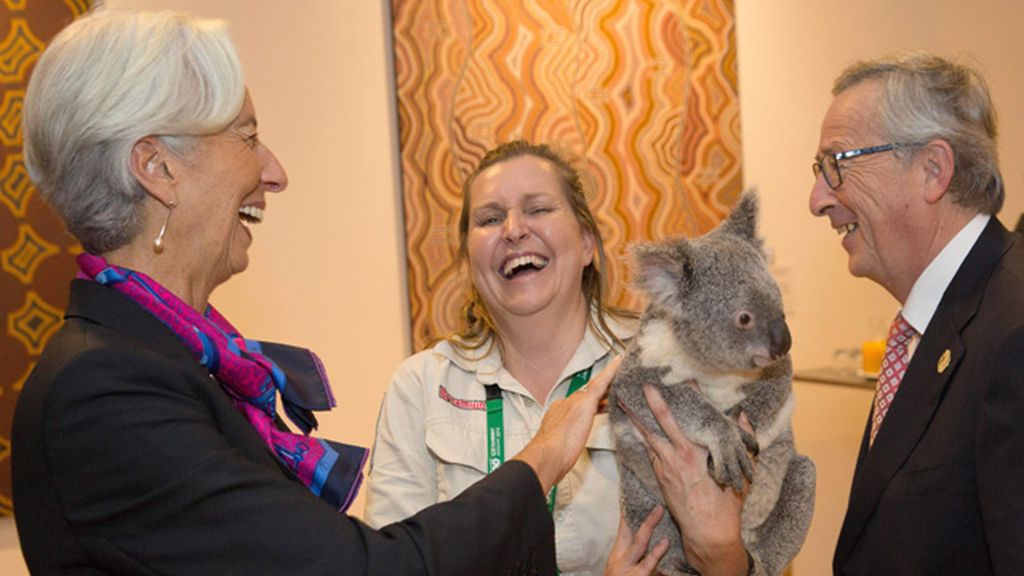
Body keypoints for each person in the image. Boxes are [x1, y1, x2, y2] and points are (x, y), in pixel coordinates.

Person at [11, 8, 621, 575]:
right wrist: (543, 456)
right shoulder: (105, 389)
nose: (274, 172)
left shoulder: (164, 363)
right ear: (158, 168)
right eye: (248, 137)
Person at [365, 140, 752, 575]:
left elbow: (754, 558)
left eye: (538, 209)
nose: (513, 230)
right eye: (490, 219)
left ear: (587, 242)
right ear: (469, 261)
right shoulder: (419, 388)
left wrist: (717, 552)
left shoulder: (674, 368)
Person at [809, 52, 1024, 574]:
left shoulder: (1014, 332)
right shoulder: (930, 329)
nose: (817, 200)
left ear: (932, 170)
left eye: (836, 164)